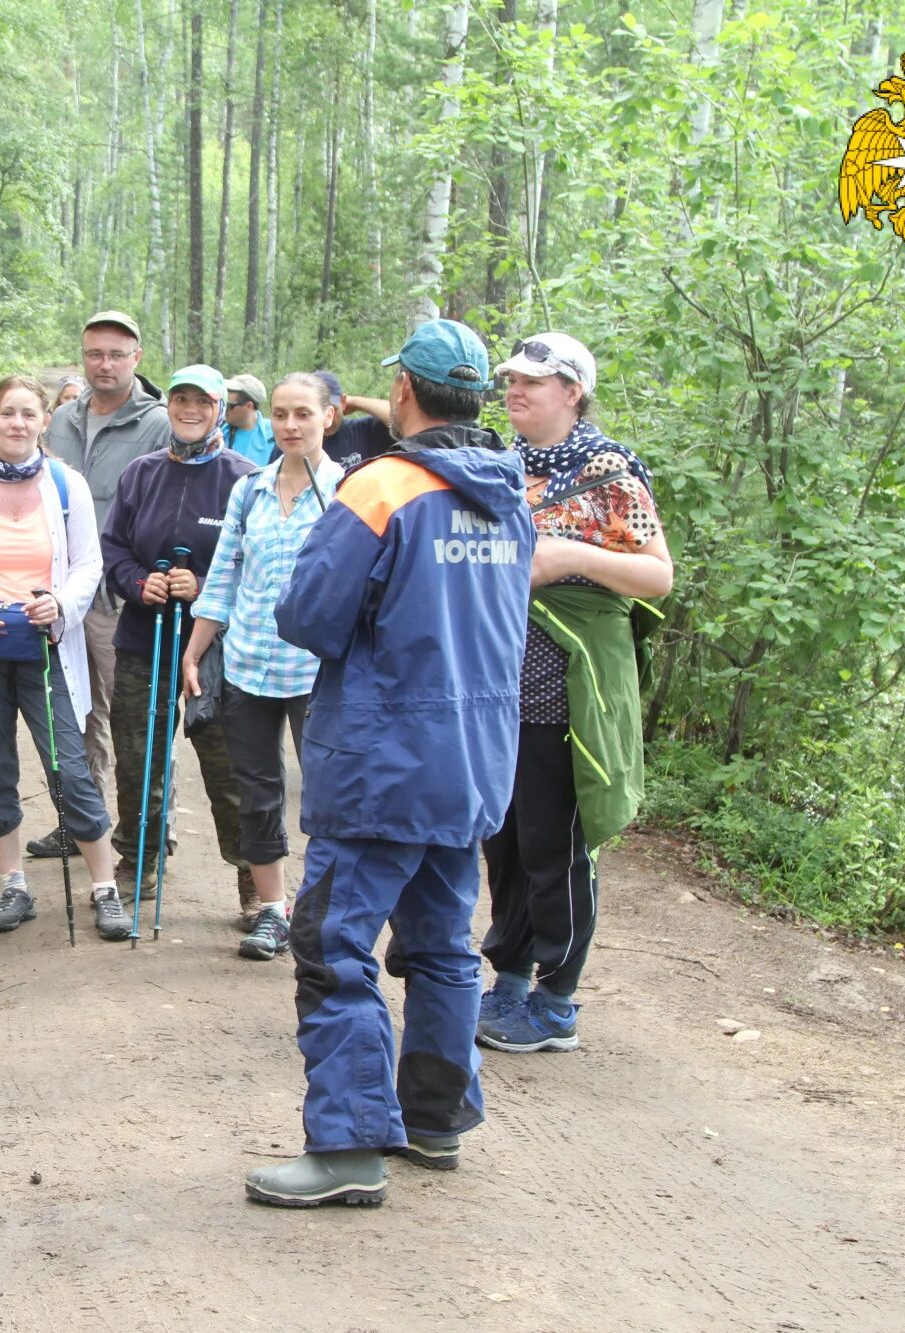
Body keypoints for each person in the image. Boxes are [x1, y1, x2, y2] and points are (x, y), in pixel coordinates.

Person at [244, 319, 532, 1207]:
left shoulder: (382, 488)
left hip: (381, 765)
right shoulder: (510, 492)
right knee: (443, 944)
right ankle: (435, 1120)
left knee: (334, 943)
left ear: (403, 390)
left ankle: (348, 1146)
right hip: (473, 762)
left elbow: (308, 615)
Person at [476, 331, 673, 1054]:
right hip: (498, 687)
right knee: (504, 841)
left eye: (533, 380)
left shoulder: (608, 473)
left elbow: (659, 575)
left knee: (556, 845)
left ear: (573, 390)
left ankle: (557, 998)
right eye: (510, 381)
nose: (516, 391)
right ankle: (511, 979)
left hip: (569, 688)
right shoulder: (500, 466)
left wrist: (567, 558)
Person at [0, 375, 133, 940]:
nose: (17, 423)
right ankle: (13, 883)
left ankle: (105, 887)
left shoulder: (67, 486)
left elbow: (88, 566)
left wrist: (61, 605)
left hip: (47, 649)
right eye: (7, 413)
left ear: (46, 421)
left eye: (28, 414)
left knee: (69, 767)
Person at [184, 372, 345, 957]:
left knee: (326, 793)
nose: (290, 425)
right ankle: (272, 912)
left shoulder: (348, 489)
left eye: (303, 413)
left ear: (329, 416)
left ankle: (323, 912)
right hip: (248, 664)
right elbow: (224, 571)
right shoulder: (250, 489)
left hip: (318, 670)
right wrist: (197, 647)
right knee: (256, 791)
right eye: (280, 414)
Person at [99, 364, 255, 906]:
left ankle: (252, 879)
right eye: (180, 399)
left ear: (220, 407)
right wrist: (141, 583)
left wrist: (205, 585)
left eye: (202, 402)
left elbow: (259, 566)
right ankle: (139, 858)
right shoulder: (141, 473)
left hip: (217, 651)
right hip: (145, 638)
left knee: (228, 764)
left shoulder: (245, 478)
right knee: (138, 755)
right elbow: (114, 545)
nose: (190, 410)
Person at [36, 311, 172, 858]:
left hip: (123, 595)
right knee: (71, 713)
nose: (105, 364)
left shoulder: (158, 423)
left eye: (117, 354)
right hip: (63, 593)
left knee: (136, 718)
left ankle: (149, 833)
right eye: (95, 354)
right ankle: (82, 821)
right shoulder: (61, 419)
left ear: (136, 359)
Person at [313, 371, 398, 473]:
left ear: (343, 402)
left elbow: (399, 417)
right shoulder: (300, 441)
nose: (328, 418)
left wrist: (355, 402)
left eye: (333, 409)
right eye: (321, 411)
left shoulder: (362, 431)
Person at [223, 374, 277, 466]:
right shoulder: (218, 433)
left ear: (249, 406)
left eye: (228, 406)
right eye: (222, 403)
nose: (224, 410)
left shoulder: (275, 435)